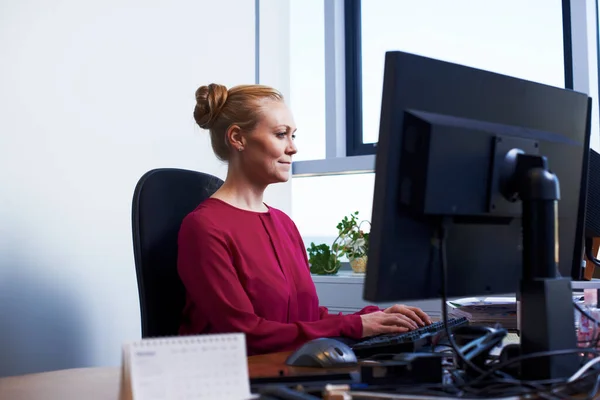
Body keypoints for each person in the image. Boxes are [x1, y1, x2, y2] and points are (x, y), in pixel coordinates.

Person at [177, 83, 432, 356]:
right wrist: (354, 326)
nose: (293, 148)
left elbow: (305, 319)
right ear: (238, 138)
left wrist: (376, 318)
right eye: (280, 134)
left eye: (293, 135)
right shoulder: (204, 228)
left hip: (289, 368)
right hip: (236, 382)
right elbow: (246, 335)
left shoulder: (284, 224)